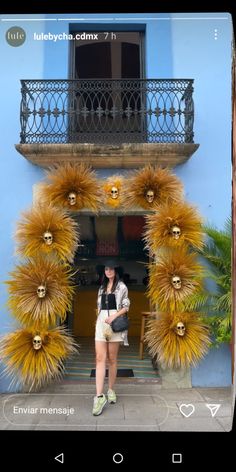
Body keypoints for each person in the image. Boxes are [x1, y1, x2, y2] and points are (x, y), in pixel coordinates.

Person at [92, 260, 130, 416]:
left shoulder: (122, 287)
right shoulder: (101, 288)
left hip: (115, 324)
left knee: (112, 359)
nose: (108, 271)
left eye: (111, 269)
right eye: (106, 269)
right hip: (101, 324)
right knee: (100, 358)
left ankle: (111, 389)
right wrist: (98, 320)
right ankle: (99, 396)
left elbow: (126, 306)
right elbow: (99, 307)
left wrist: (114, 316)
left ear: (115, 270)